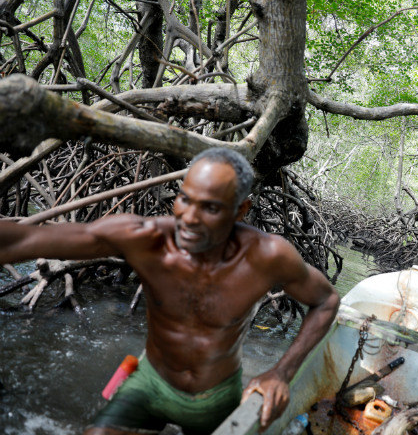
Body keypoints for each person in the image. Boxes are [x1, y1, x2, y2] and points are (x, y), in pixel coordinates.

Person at [0, 147, 340, 435]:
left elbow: (326, 301)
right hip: (149, 381)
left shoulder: (268, 257)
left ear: (241, 211)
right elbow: (27, 238)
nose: (189, 218)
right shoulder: (146, 239)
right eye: (185, 199)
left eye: (210, 208)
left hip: (216, 395)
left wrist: (280, 373)